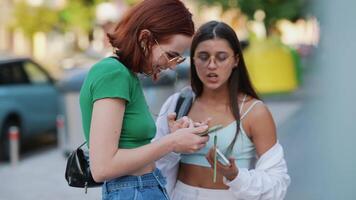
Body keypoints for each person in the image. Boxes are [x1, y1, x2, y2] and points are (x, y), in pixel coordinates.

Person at [79, 1, 210, 199]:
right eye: (171, 55)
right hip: (132, 190)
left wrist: (173, 137)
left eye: (178, 59)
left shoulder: (125, 74)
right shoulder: (114, 73)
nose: (172, 66)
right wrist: (172, 142)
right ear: (145, 38)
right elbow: (102, 167)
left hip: (141, 187)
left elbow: (132, 150)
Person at [154, 21, 291, 200]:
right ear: (193, 59)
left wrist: (236, 175)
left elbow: (278, 184)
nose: (211, 65)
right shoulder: (177, 103)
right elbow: (153, 168)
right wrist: (172, 145)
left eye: (221, 57)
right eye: (203, 56)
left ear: (235, 60)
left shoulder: (254, 112)